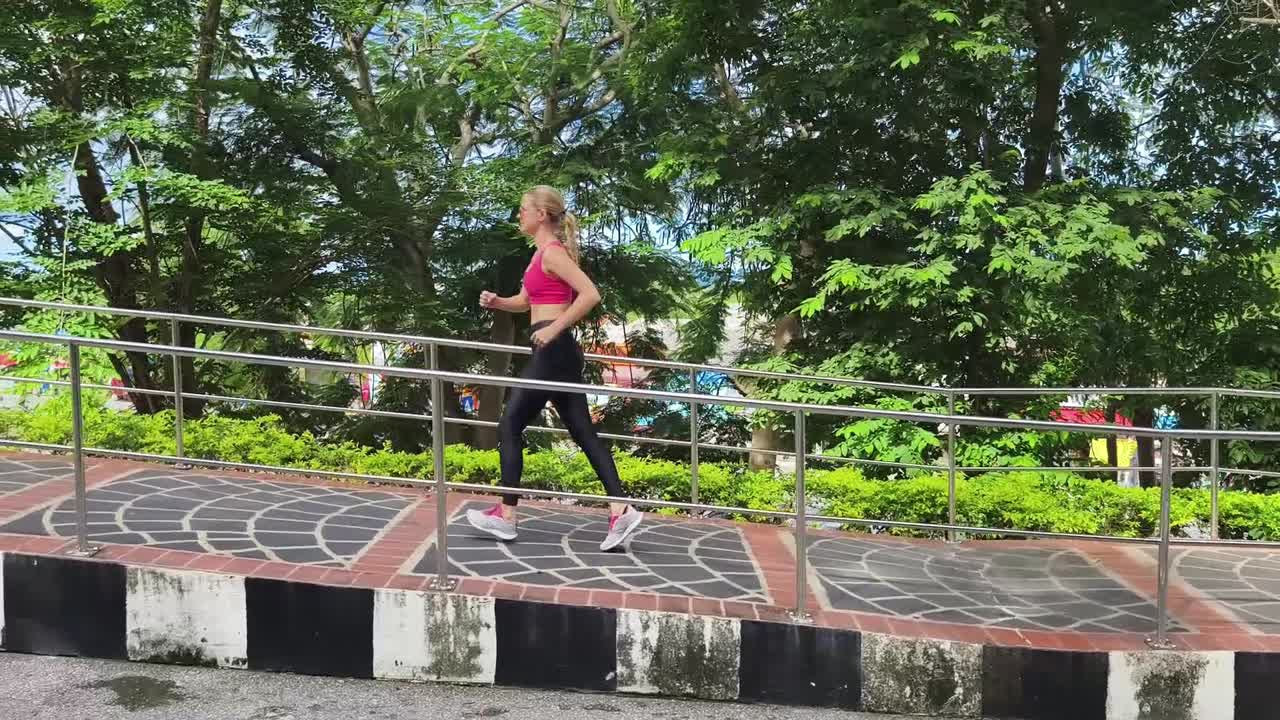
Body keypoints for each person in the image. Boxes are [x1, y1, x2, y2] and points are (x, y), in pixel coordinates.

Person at [466, 185, 643, 551]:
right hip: (552, 350)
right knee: (582, 432)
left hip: (553, 349)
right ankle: (620, 508)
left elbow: (591, 295)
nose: (519, 215)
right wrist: (499, 302)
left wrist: (554, 328)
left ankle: (507, 516)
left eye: (523, 209)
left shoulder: (553, 253)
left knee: (510, 424)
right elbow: (527, 302)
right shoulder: (537, 257)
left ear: (542, 215)